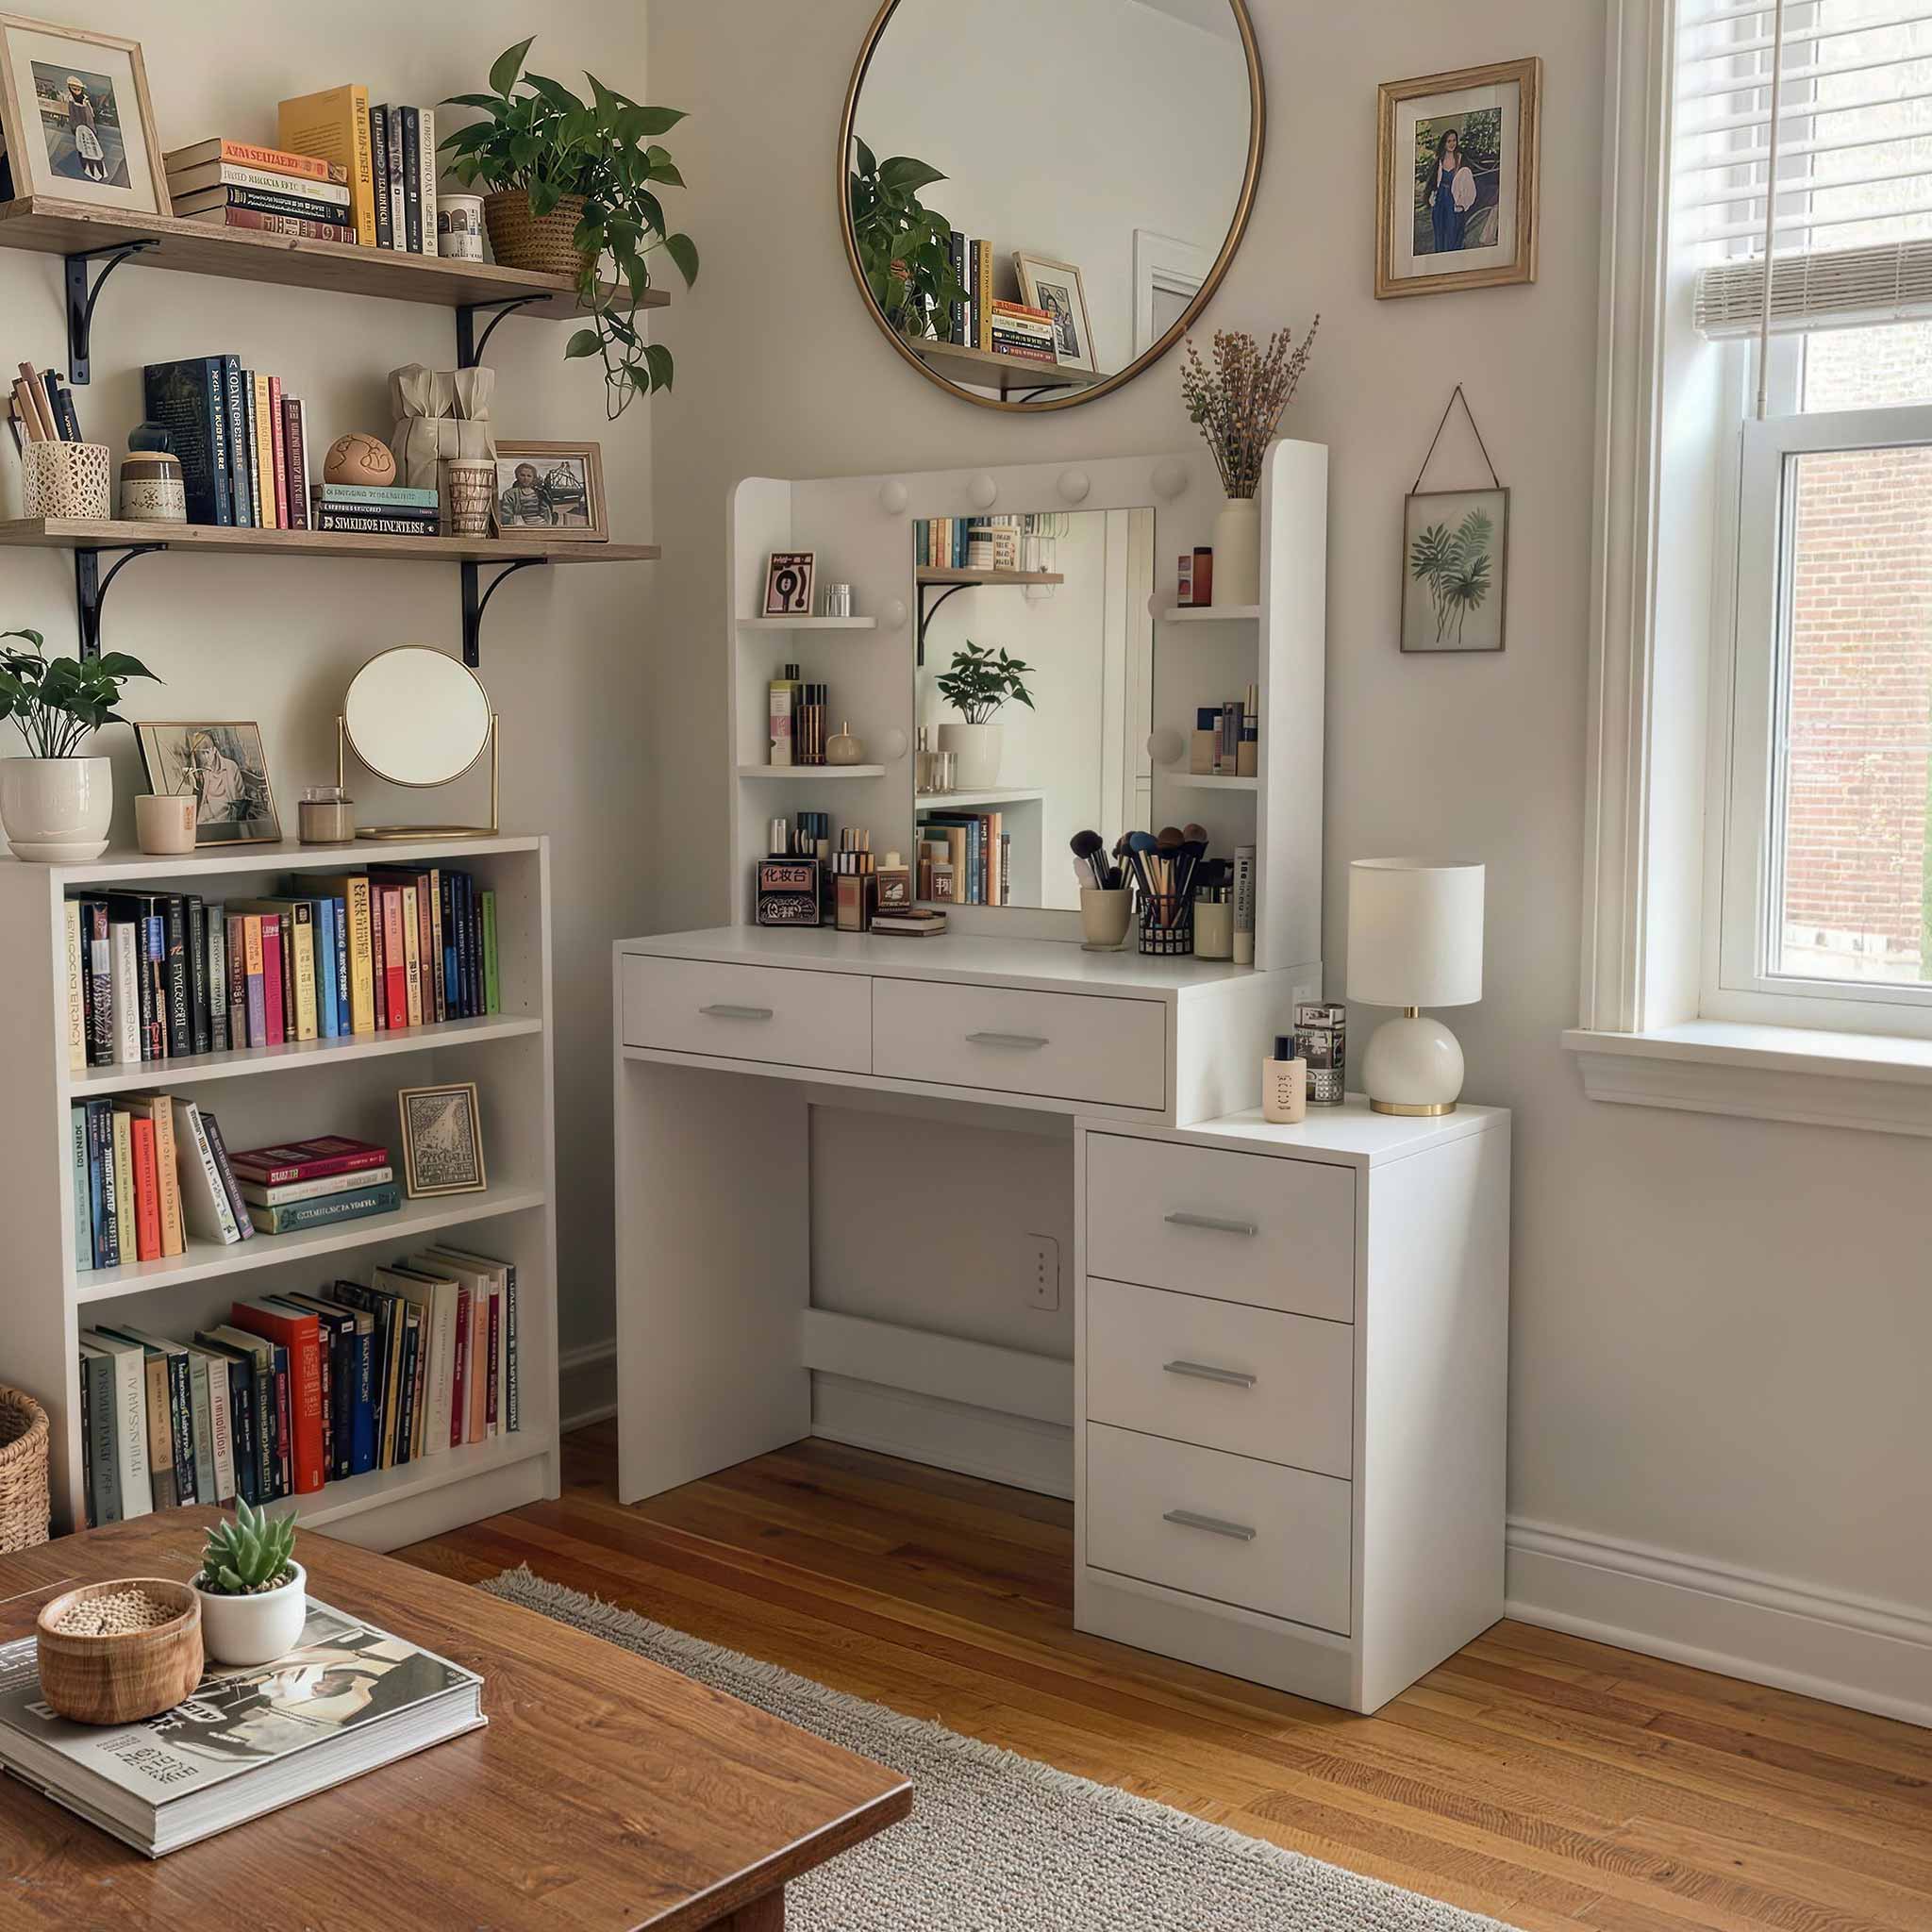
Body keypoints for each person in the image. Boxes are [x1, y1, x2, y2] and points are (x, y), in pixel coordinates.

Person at [1428, 127, 1467, 254]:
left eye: (1454, 140)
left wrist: (1462, 201)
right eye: (1448, 141)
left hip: (1453, 198)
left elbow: (1466, 181)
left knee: (1452, 229)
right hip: (1440, 199)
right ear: (1444, 143)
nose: (1452, 144)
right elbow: (1433, 182)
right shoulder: (1439, 160)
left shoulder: (1461, 159)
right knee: (1439, 229)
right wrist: (1432, 196)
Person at [64, 76, 107, 183]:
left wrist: (92, 129)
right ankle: (88, 171)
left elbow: (90, 115)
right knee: (83, 151)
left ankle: (100, 172)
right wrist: (75, 128)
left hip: (90, 130)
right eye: (74, 89)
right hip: (80, 130)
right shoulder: (71, 102)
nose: (77, 92)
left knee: (95, 151)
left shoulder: (85, 100)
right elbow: (73, 116)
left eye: (79, 89)